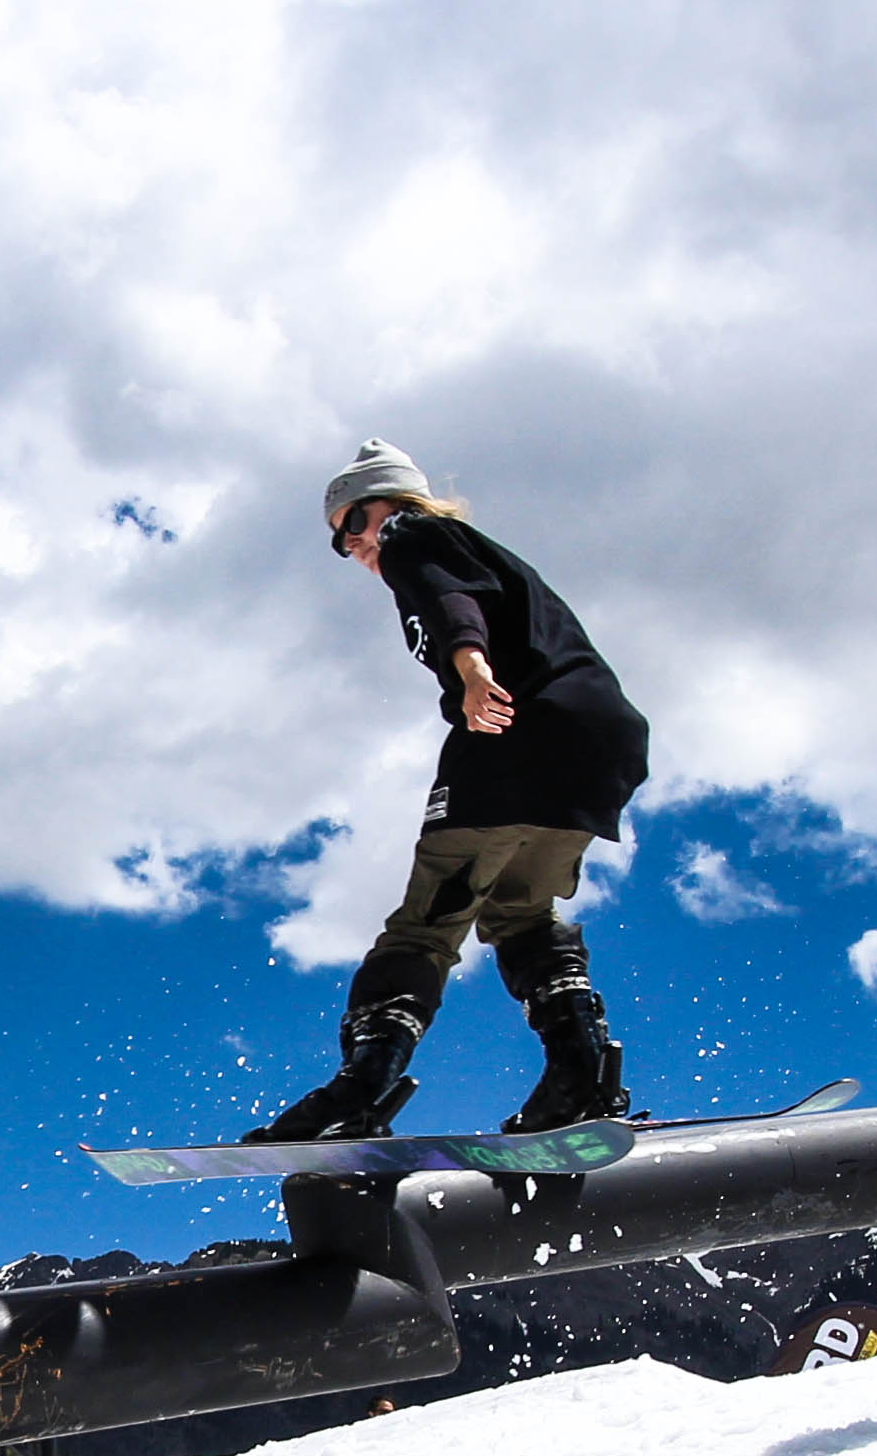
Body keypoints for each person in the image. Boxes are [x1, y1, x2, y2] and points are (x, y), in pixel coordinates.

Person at [251, 440, 656, 1140]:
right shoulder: (476, 548)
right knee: (521, 915)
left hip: (512, 736)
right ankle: (579, 1076)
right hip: (597, 749)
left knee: (427, 923)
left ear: (392, 502)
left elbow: (451, 602)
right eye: (339, 539)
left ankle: (360, 1087)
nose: (353, 546)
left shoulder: (413, 532)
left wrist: (469, 669)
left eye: (354, 523)